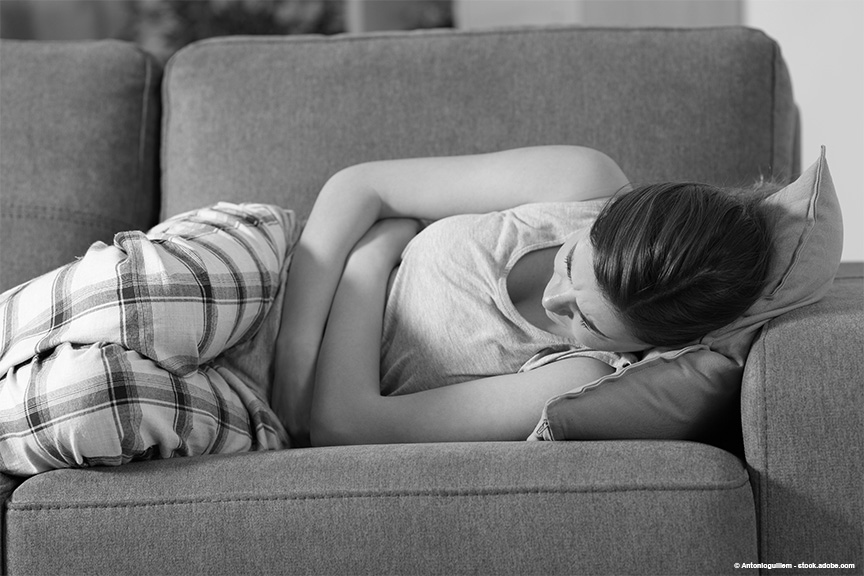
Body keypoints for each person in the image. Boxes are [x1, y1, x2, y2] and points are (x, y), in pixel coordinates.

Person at [0, 146, 772, 475]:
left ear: (637, 349)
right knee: (150, 296)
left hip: (266, 410)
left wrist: (381, 253)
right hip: (282, 270)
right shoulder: (582, 181)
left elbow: (344, 427)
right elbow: (358, 188)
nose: (560, 299)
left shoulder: (568, 379)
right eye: (574, 266)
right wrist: (331, 308)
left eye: (587, 319)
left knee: (88, 401)